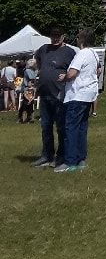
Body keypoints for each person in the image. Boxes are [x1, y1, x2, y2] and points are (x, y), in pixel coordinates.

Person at [56, 28, 100, 172]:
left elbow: (73, 73)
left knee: (71, 128)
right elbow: (98, 70)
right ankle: (81, 159)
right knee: (82, 127)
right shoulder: (94, 53)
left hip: (77, 95)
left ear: (80, 40)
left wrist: (64, 77)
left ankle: (70, 162)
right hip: (89, 95)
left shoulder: (81, 54)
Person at [33, 25, 75, 168]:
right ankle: (46, 154)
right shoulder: (44, 49)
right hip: (44, 93)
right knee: (45, 126)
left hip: (59, 94)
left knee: (61, 127)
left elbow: (75, 70)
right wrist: (41, 71)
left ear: (63, 36)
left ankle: (61, 156)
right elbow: (37, 57)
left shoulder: (69, 52)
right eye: (53, 36)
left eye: (58, 36)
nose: (55, 39)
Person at [18, 58, 38, 124]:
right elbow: (32, 79)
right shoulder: (28, 70)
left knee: (30, 105)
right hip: (27, 89)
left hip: (30, 89)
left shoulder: (32, 70)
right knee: (26, 105)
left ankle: (28, 118)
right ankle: (24, 118)